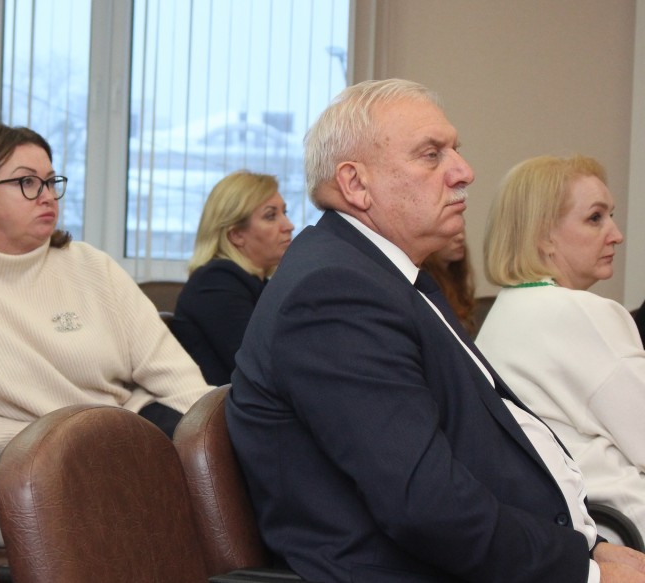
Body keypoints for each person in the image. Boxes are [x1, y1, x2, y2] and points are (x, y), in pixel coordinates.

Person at [225, 79, 645, 582]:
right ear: (356, 185)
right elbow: (427, 507)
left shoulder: (385, 275)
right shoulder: (334, 292)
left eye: (455, 150)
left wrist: (591, 549)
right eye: (431, 155)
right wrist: (584, 570)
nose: (464, 171)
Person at [0, 123, 211, 546]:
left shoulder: (92, 265)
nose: (46, 195)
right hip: (37, 480)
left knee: (237, 459)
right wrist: (67, 442)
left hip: (132, 447)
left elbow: (175, 376)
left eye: (51, 181)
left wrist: (203, 436)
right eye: (26, 182)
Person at [476, 154, 645, 539]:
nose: (616, 234)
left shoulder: (503, 313)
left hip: (569, 532)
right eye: (595, 218)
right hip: (625, 530)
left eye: (611, 216)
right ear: (543, 235)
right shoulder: (581, 313)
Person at [171, 170, 294, 386]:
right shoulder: (214, 283)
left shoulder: (259, 285)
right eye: (270, 216)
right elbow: (262, 369)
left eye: (284, 212)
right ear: (236, 235)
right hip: (215, 406)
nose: (289, 226)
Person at [421, 228, 477, 337]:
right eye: (450, 231)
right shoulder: (423, 288)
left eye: (461, 229)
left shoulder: (457, 281)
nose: (461, 238)